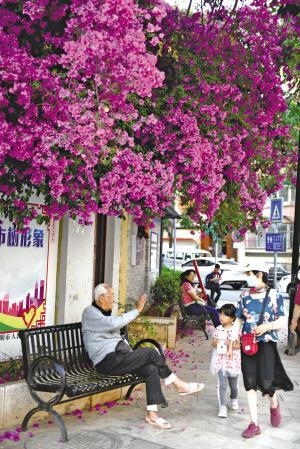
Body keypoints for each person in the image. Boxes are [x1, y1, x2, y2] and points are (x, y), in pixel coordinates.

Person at [82, 283, 205, 429]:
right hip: (106, 361)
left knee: (151, 369)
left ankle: (152, 415)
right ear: (101, 298)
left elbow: (114, 332)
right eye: (111, 296)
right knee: (151, 352)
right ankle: (178, 385)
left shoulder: (103, 312)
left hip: (119, 357)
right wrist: (137, 310)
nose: (113, 300)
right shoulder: (90, 313)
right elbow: (113, 324)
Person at [227, 262, 294, 439]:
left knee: (266, 381)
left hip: (266, 344)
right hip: (248, 344)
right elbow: (239, 321)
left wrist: (267, 326)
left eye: (249, 273)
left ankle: (273, 403)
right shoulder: (244, 297)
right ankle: (254, 424)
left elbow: (282, 320)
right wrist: (231, 341)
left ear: (260, 275)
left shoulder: (274, 296)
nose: (247, 277)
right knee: (249, 382)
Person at [210, 303, 241, 418]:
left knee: (233, 385)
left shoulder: (235, 330)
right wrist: (216, 342)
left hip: (233, 361)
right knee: (222, 385)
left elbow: (238, 346)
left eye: (224, 315)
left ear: (232, 318)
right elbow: (213, 343)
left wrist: (230, 344)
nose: (221, 317)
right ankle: (222, 407)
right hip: (220, 360)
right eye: (220, 314)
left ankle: (234, 399)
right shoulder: (218, 329)